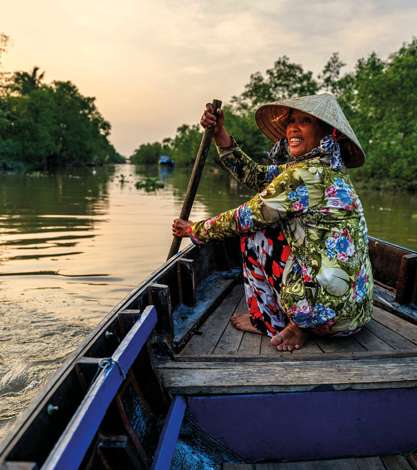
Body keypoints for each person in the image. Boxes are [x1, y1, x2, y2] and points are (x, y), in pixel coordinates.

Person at [172, 94, 373, 352]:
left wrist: (194, 230)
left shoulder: (304, 176)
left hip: (326, 316)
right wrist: (220, 134)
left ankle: (269, 321)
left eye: (305, 121)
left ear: (328, 133)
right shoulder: (327, 171)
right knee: (275, 227)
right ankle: (299, 321)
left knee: (255, 233)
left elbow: (244, 218)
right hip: (354, 315)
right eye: (291, 121)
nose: (293, 128)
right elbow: (257, 176)